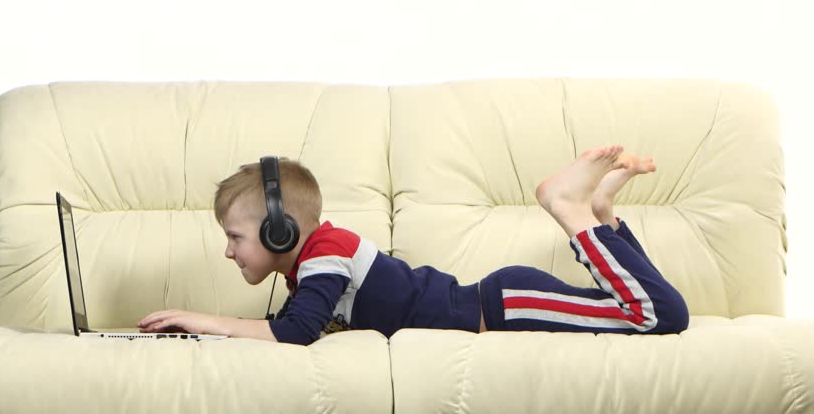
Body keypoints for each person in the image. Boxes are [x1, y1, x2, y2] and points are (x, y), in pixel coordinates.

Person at [138, 145, 689, 344]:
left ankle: (570, 211)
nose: (229, 251)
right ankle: (601, 215)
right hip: (500, 303)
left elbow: (295, 332)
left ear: (278, 230)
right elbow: (297, 321)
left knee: (659, 315)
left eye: (234, 236)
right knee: (643, 312)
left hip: (503, 309)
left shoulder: (326, 254)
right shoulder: (313, 266)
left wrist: (204, 320)